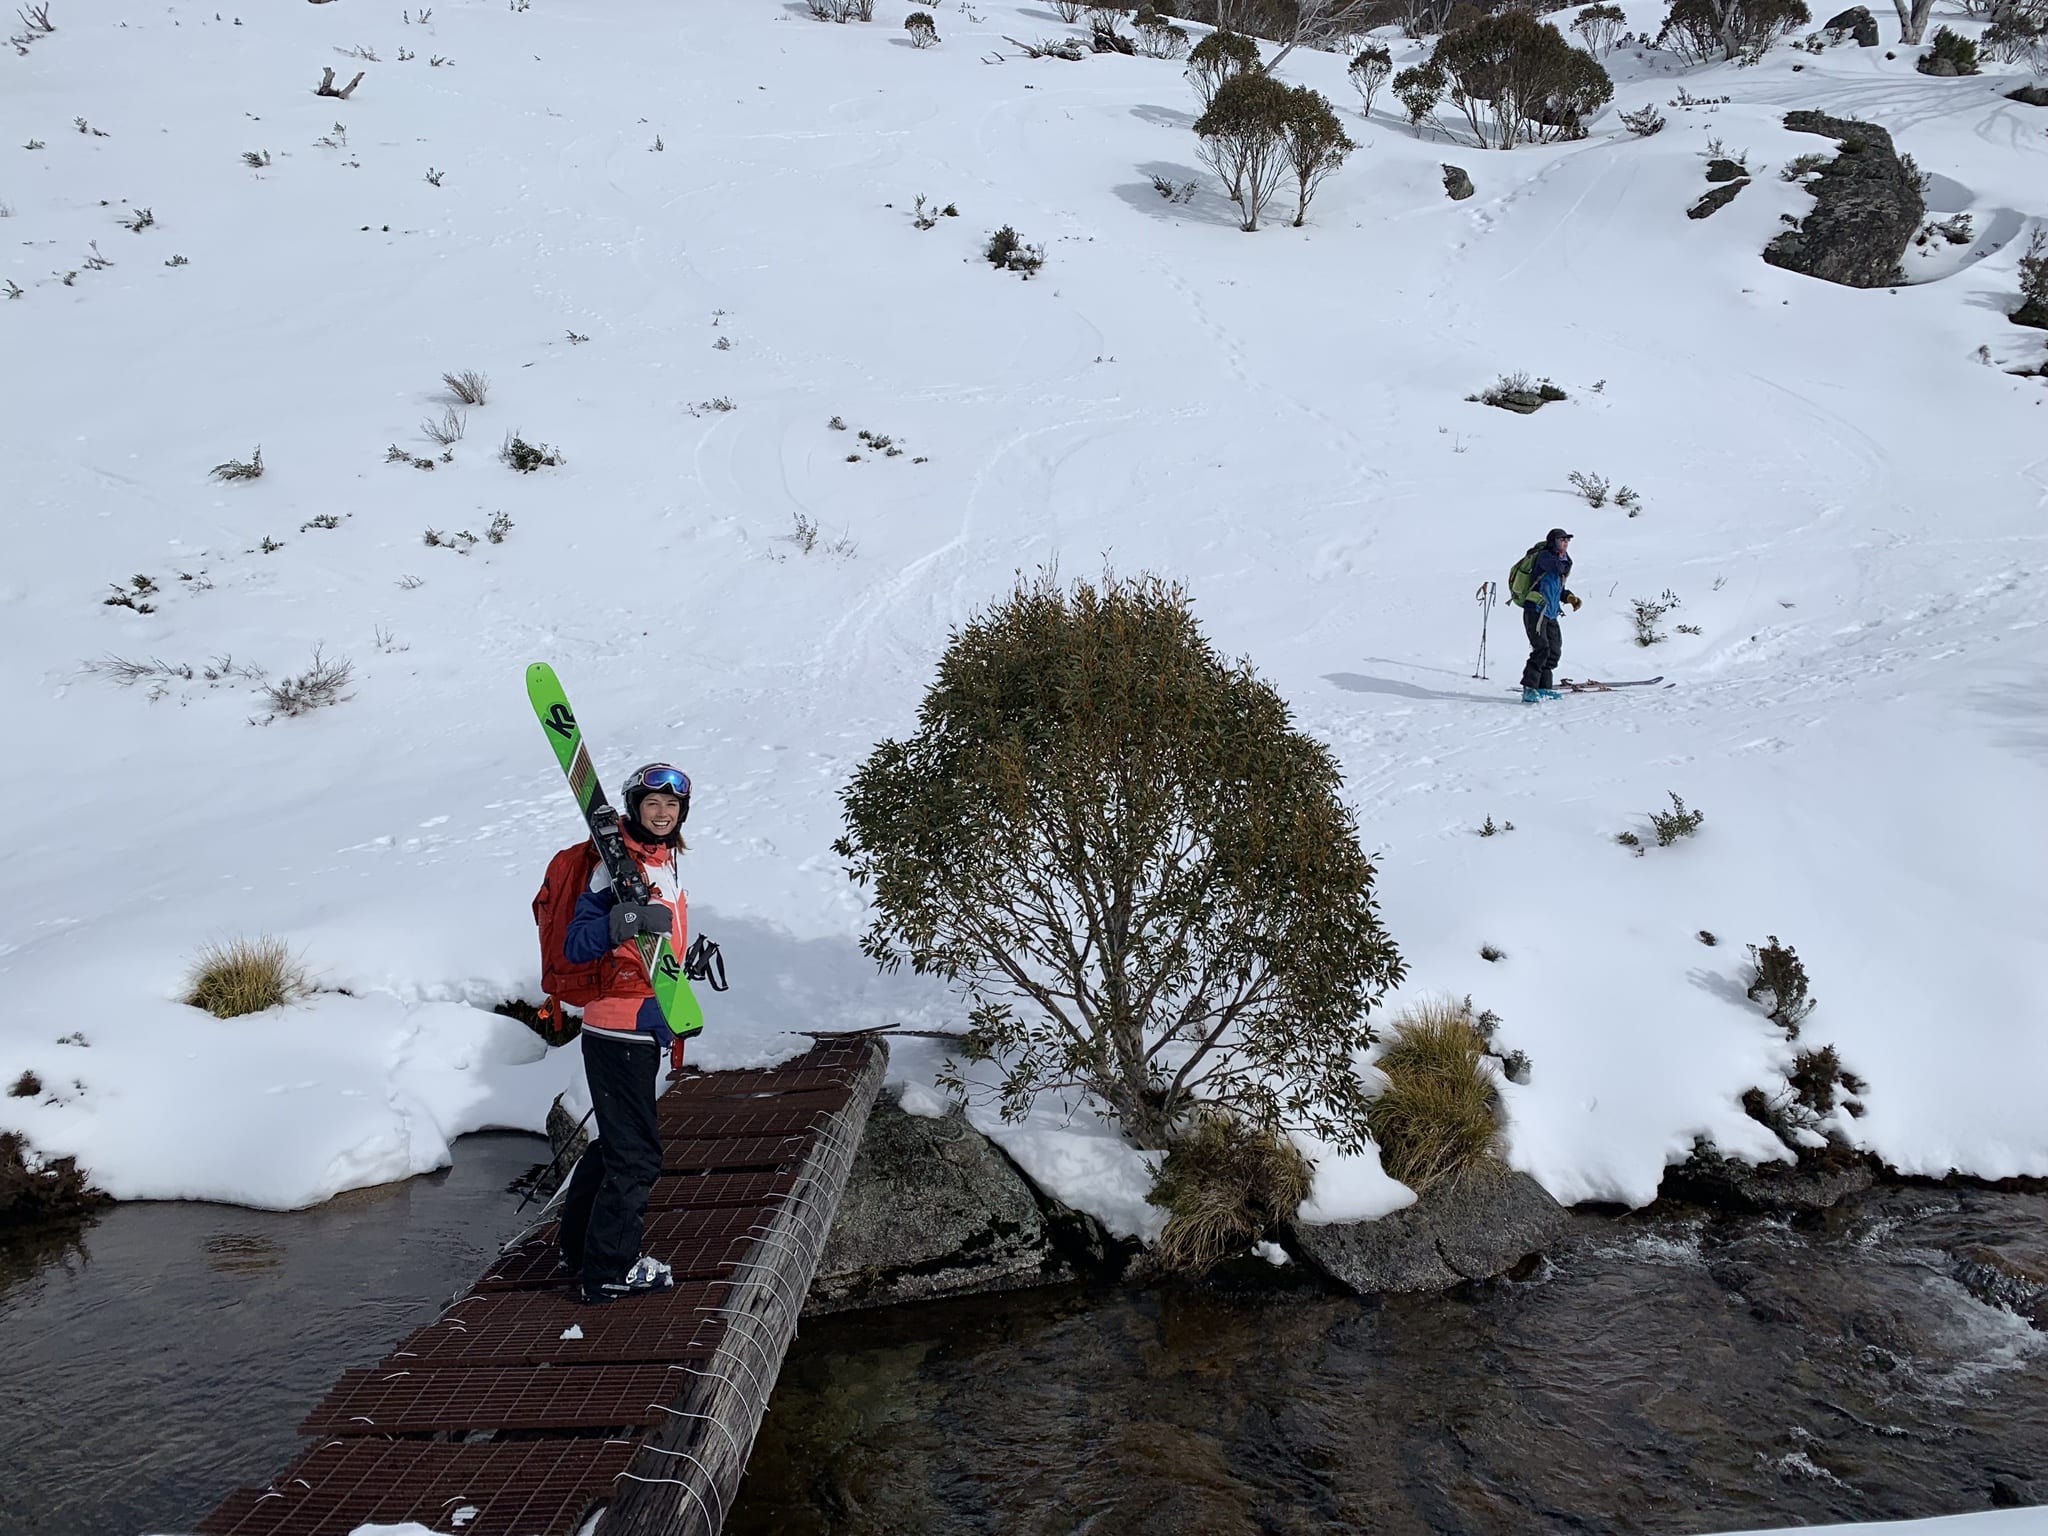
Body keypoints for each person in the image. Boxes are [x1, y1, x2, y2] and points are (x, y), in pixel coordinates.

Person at [555, 762, 693, 1305]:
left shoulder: (665, 861)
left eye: (672, 805)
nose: (662, 813)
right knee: (636, 1157)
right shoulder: (616, 867)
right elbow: (578, 942)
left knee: (617, 1145)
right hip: (617, 1030)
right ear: (635, 808)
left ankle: (577, 1248)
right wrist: (628, 919)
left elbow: (655, 951)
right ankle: (611, 1269)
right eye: (652, 804)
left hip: (642, 1025)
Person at [1517, 528, 1581, 703]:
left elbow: (1555, 588)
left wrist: (1568, 597)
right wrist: (1566, 561)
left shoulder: (1562, 560)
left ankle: (1544, 688)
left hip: (1550, 613)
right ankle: (1529, 689)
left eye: (1568, 540)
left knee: (1553, 651)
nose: (1566, 543)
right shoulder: (1546, 557)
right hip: (1535, 610)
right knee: (1541, 649)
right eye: (1562, 539)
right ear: (1553, 541)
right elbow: (1557, 567)